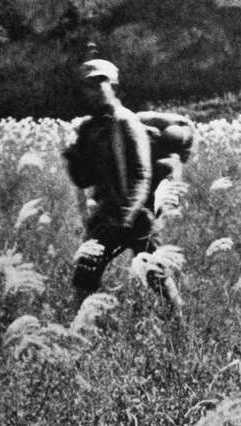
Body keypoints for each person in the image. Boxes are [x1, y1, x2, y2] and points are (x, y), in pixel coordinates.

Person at [63, 59, 183, 322]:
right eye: (89, 85)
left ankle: (180, 326)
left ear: (113, 86)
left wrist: (126, 217)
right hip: (107, 215)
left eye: (101, 83)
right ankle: (78, 328)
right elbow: (83, 180)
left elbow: (142, 175)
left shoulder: (127, 122)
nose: (95, 89)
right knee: (85, 273)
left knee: (157, 276)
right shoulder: (88, 129)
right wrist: (72, 156)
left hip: (139, 216)